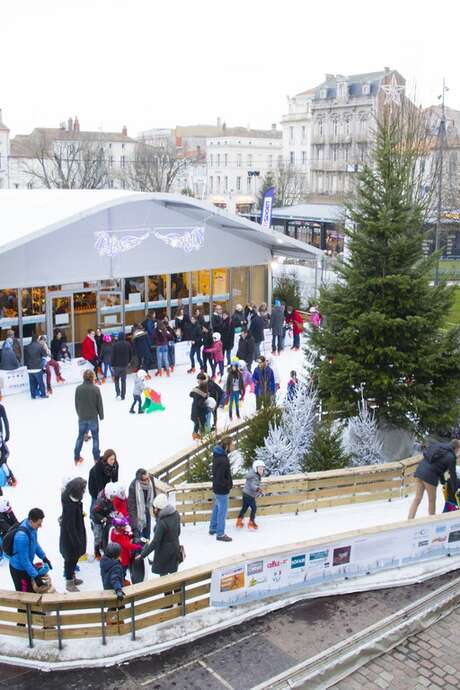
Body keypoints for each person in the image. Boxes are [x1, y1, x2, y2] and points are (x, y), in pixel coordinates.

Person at [408, 440, 460, 519]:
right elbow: (453, 476)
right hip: (429, 476)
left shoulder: (440, 447)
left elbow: (439, 465)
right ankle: (432, 522)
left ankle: (410, 519)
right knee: (432, 499)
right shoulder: (451, 457)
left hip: (420, 471)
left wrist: (443, 481)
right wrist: (455, 490)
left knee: (417, 498)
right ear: (456, 448)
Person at [138, 493, 181, 581]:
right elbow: (178, 532)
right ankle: (178, 594)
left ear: (158, 508)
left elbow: (155, 542)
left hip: (163, 555)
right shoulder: (176, 514)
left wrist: (142, 555)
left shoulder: (162, 523)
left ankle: (169, 595)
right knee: (175, 578)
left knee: (165, 582)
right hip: (175, 550)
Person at [9, 508, 52, 593]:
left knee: (31, 591)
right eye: (38, 524)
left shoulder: (32, 527)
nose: (40, 526)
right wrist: (36, 576)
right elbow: (24, 560)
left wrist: (43, 557)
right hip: (19, 570)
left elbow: (34, 543)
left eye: (41, 523)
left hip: (26, 567)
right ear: (31, 521)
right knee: (24, 596)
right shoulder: (21, 537)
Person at [59, 478, 87, 592]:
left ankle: (72, 577)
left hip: (75, 533)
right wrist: (77, 542)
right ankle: (69, 581)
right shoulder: (71, 506)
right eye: (83, 489)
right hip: (70, 539)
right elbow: (70, 527)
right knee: (70, 559)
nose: (84, 491)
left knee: (73, 559)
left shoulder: (73, 501)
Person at [74, 368, 104, 465]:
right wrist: (101, 415)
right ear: (92, 377)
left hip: (82, 417)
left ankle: (76, 457)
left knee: (80, 437)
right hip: (92, 417)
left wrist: (79, 413)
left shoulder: (78, 388)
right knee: (95, 437)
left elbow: (76, 403)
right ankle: (96, 458)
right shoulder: (95, 389)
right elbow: (99, 404)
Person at [209, 436, 233, 542]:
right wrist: (228, 485)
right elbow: (220, 478)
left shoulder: (218, 455)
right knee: (222, 511)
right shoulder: (222, 460)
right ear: (227, 446)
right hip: (221, 489)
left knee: (217, 508)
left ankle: (213, 528)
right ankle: (220, 534)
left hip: (217, 488)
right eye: (232, 444)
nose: (234, 446)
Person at [109, 515, 142, 584]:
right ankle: (122, 580)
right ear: (118, 527)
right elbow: (128, 545)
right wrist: (137, 546)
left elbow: (126, 537)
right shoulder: (119, 537)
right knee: (122, 571)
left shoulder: (117, 532)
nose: (125, 527)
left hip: (122, 556)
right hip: (123, 558)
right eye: (123, 526)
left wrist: (128, 534)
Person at [236, 460, 265, 530]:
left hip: (246, 494)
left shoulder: (255, 475)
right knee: (254, 508)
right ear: (255, 468)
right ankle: (251, 523)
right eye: (260, 469)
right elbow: (253, 485)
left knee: (244, 508)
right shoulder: (254, 476)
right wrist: (258, 489)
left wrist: (258, 490)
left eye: (263, 469)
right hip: (249, 495)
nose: (262, 471)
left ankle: (239, 521)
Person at [128, 468, 156, 541]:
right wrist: (135, 526)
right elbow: (132, 508)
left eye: (148, 478)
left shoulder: (151, 480)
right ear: (140, 480)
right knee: (139, 536)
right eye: (145, 479)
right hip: (138, 512)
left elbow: (154, 497)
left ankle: (146, 547)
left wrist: (157, 514)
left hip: (146, 509)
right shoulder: (133, 487)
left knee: (147, 534)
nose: (148, 480)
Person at [88, 449, 119, 515]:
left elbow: (115, 480)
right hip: (94, 485)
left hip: (106, 483)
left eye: (114, 459)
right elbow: (100, 484)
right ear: (106, 458)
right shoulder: (99, 466)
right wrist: (102, 495)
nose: (113, 461)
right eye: (111, 459)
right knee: (96, 502)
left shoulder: (115, 465)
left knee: (108, 500)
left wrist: (113, 491)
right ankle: (92, 517)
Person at [92, 482, 118, 557]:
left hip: (106, 515)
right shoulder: (100, 501)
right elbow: (94, 512)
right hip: (97, 519)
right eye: (112, 497)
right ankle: (96, 552)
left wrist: (114, 512)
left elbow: (112, 506)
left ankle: (104, 546)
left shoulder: (110, 499)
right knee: (98, 536)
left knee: (106, 532)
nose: (113, 498)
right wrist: (102, 518)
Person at [24, 333, 47, 399]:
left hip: (29, 369)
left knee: (32, 383)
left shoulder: (27, 347)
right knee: (40, 382)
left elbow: (25, 358)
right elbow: (45, 355)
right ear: (37, 338)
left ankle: (33, 396)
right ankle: (43, 395)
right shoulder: (40, 346)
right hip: (37, 368)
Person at [111, 331, 132, 401]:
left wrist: (112, 365)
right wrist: (129, 361)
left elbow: (113, 356)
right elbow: (131, 354)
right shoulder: (128, 344)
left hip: (117, 366)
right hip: (125, 365)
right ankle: (123, 395)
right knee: (123, 381)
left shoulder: (115, 345)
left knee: (116, 380)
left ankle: (118, 393)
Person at [0, 497, 18, 561]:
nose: (9, 506)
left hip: (8, 530)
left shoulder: (9, 511)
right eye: (7, 505)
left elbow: (16, 521)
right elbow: (8, 528)